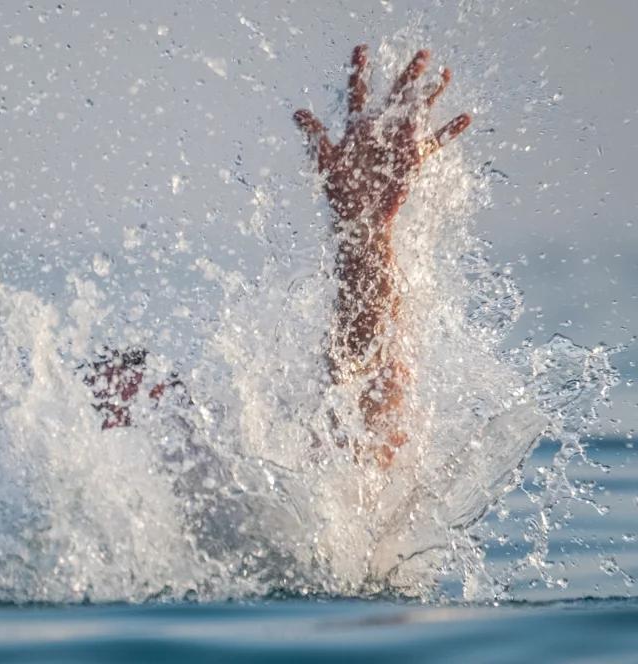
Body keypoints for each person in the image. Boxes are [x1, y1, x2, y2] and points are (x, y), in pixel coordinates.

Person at [89, 46, 472, 468]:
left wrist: (364, 233)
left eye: (142, 395)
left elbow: (363, 446)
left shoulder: (232, 461)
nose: (116, 417)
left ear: (169, 389)